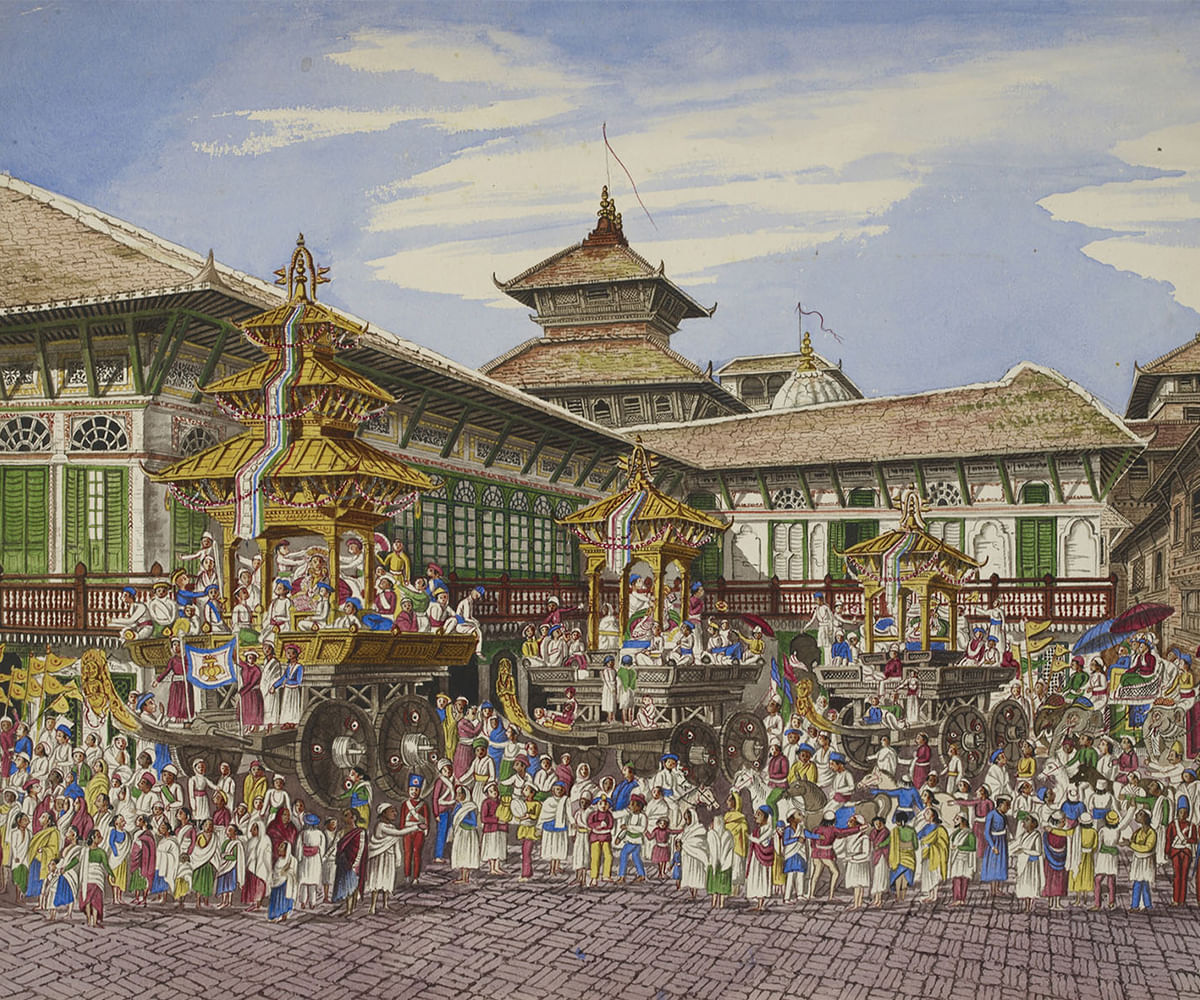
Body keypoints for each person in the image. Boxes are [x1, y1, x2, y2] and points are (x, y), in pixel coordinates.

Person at [365, 802, 403, 914]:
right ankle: (372, 906)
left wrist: (398, 857)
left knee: (387, 879)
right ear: (384, 813)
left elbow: (395, 843)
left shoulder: (392, 827)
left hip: (389, 857)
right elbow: (397, 834)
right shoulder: (381, 826)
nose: (395, 813)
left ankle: (385, 904)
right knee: (377, 879)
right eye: (392, 811)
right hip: (379, 857)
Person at [398, 774, 430, 885]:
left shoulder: (423, 804)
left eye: (416, 789)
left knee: (417, 854)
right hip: (407, 831)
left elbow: (426, 818)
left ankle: (416, 877)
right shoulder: (405, 804)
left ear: (420, 791)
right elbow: (402, 819)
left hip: (419, 831)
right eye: (412, 789)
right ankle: (407, 875)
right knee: (407, 854)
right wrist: (401, 830)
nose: (413, 791)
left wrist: (426, 829)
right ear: (408, 790)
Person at [1166, 805, 1198, 906]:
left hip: (1186, 852)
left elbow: (1194, 839)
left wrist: (1187, 840)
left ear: (1188, 814)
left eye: (1185, 812)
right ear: (1177, 812)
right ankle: (1175, 899)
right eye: (1181, 812)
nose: (1183, 814)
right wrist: (1167, 851)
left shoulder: (1191, 825)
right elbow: (1169, 838)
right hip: (1176, 851)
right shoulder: (1173, 824)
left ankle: (1182, 900)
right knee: (1177, 876)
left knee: (1184, 876)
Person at [746, 805, 775, 910]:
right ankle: (758, 902)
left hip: (763, 858)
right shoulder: (758, 829)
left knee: (762, 878)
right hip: (756, 857)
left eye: (759, 814)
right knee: (755, 877)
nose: (755, 816)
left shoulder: (769, 829)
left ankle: (761, 903)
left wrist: (749, 837)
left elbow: (760, 841)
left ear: (766, 817)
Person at [450, 787, 480, 884]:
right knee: (460, 854)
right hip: (460, 833)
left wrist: (462, 819)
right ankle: (462, 876)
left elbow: (474, 822)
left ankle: (466, 877)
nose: (458, 796)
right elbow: (454, 817)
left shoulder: (470, 806)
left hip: (468, 834)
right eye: (457, 794)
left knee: (467, 854)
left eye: (460, 794)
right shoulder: (459, 806)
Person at [1014, 815, 1043, 912]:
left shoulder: (1036, 835)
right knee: (1025, 884)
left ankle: (1030, 906)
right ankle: (1026, 906)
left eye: (1027, 820)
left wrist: (1024, 851)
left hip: (1032, 864)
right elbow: (1017, 844)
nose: (1024, 823)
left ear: (1033, 824)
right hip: (1023, 863)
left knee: (1031, 885)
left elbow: (1038, 852)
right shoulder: (1023, 835)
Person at [1129, 809, 1156, 911]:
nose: (1137, 815)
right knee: (1139, 882)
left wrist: (1131, 844)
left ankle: (1141, 905)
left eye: (1140, 814)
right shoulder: (1138, 832)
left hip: (1146, 860)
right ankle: (1139, 905)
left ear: (1146, 818)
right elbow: (1133, 842)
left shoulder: (1151, 833)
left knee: (1143, 883)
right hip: (1138, 860)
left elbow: (1147, 848)